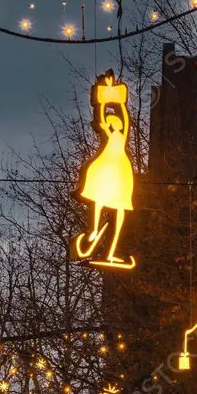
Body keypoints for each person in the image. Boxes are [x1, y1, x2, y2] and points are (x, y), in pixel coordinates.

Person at [72, 70, 136, 269]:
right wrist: (103, 100)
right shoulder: (108, 132)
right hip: (110, 168)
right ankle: (93, 231)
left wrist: (119, 103)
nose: (114, 124)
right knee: (100, 202)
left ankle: (110, 251)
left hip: (119, 171)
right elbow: (101, 117)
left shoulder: (121, 133)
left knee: (118, 211)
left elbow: (124, 117)